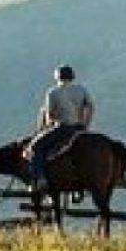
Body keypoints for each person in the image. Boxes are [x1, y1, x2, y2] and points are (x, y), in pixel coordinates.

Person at [26, 64, 94, 192]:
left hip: (63, 127)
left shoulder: (53, 92)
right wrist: (86, 124)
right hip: (79, 127)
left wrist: (49, 122)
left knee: (36, 147)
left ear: (57, 77)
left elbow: (50, 115)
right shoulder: (81, 90)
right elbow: (90, 107)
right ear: (72, 77)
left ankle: (40, 179)